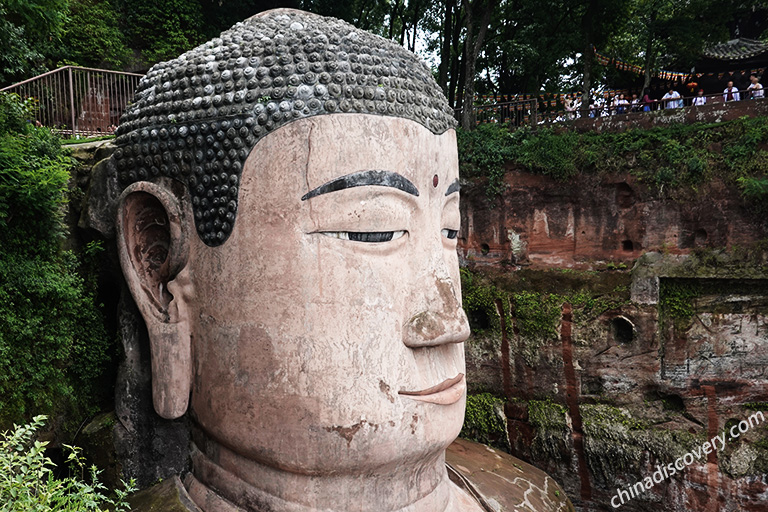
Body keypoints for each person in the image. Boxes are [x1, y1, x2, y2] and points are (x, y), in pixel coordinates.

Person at [110, 9, 570, 512]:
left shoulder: (532, 498)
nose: (449, 321)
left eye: (450, 231)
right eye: (372, 229)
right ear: (159, 271)